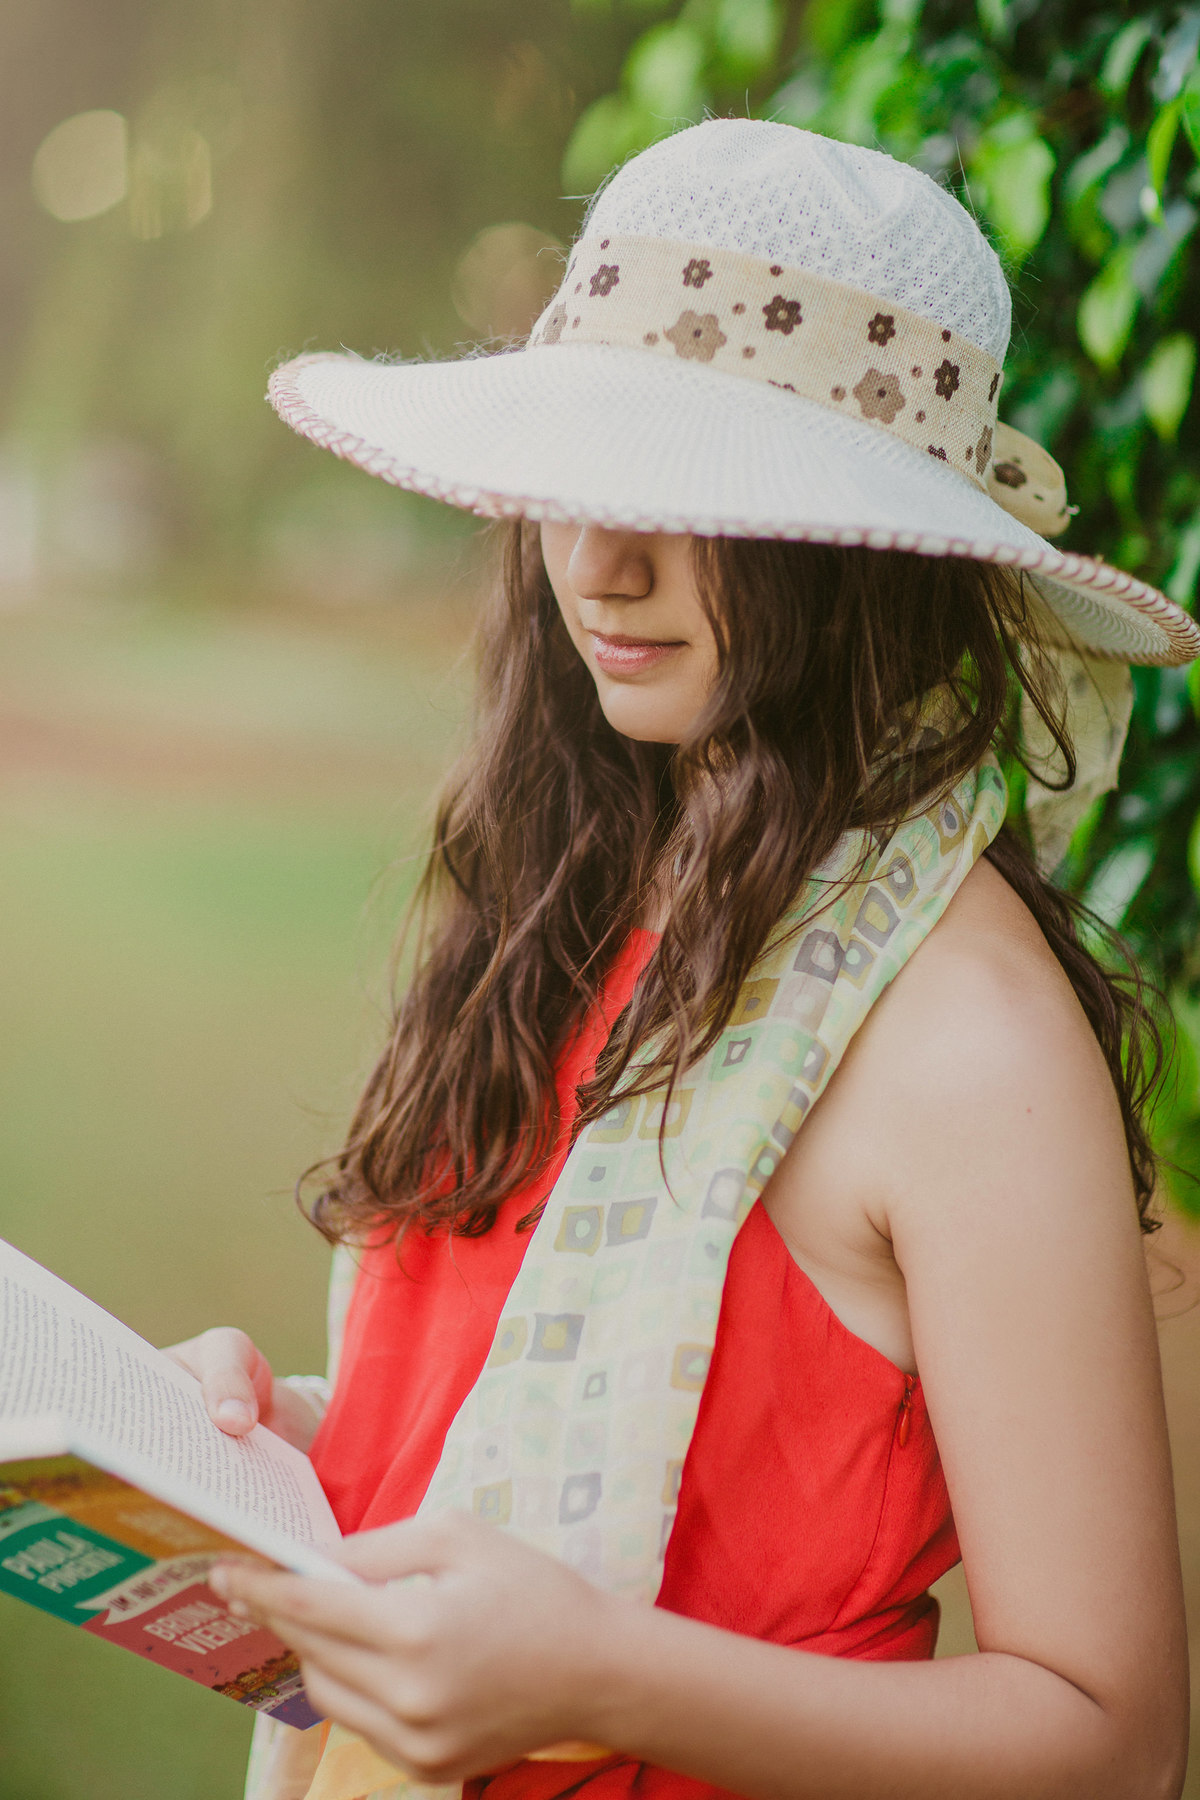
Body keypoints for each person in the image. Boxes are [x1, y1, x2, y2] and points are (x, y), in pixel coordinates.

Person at [167, 120, 1196, 1800]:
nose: (596, 562)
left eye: (695, 495)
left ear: (867, 549)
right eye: (581, 474)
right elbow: (549, 1420)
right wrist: (279, 1447)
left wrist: (601, 1675)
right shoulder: (584, 895)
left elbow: (1111, 1740)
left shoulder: (963, 1037)